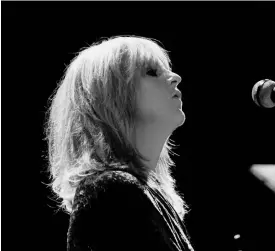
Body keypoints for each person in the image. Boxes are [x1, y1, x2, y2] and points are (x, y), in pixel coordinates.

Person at [44, 36, 194, 251]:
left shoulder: (145, 192)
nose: (175, 77)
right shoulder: (111, 189)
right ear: (113, 98)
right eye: (151, 72)